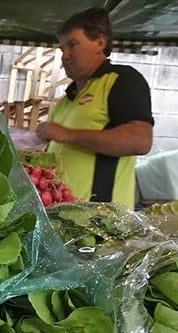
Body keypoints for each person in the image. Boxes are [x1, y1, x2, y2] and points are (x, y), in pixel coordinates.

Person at [35, 7, 154, 209]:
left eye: (73, 45)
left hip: (100, 221)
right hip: (64, 218)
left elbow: (140, 140)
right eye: (62, 49)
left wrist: (67, 135)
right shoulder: (67, 100)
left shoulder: (121, 80)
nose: (65, 55)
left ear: (100, 42)